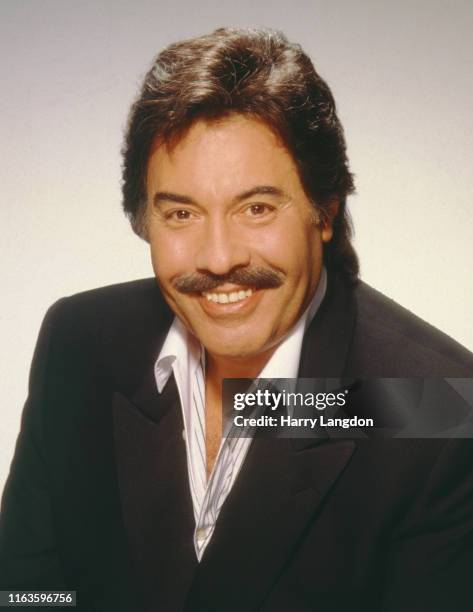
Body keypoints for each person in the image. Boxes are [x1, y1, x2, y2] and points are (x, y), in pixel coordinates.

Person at [1, 27, 472, 612]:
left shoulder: (436, 404)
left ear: (324, 209)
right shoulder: (80, 343)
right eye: (181, 213)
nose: (219, 257)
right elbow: (27, 590)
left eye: (256, 208)